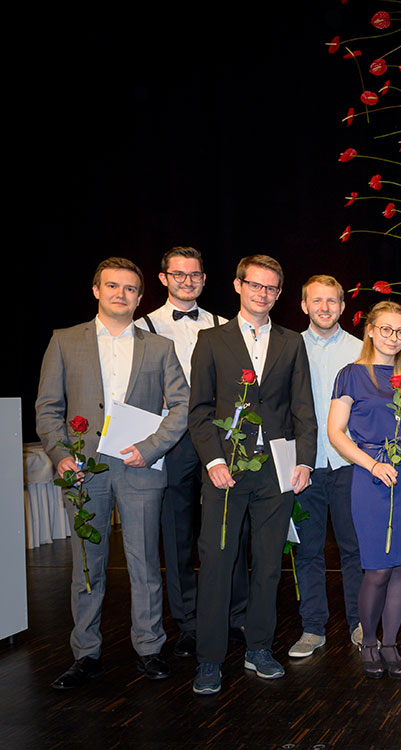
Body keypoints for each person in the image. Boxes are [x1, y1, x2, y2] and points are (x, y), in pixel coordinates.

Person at [36, 257, 190, 689]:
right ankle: (85, 654)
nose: (121, 294)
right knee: (87, 565)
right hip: (83, 469)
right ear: (96, 290)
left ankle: (149, 648)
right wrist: (60, 454)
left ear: (140, 298)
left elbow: (181, 405)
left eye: (130, 288)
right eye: (112, 286)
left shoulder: (160, 347)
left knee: (145, 564)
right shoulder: (65, 340)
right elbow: (48, 408)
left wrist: (151, 447)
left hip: (141, 467)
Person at [189, 254, 317, 695]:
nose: (263, 293)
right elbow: (199, 411)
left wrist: (304, 461)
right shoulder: (211, 340)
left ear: (279, 294)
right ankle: (209, 659)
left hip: (276, 470)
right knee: (217, 564)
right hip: (225, 470)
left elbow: (303, 408)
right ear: (238, 285)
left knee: (268, 565)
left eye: (271, 288)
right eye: (255, 285)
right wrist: (213, 461)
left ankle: (259, 648)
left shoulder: (291, 342)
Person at [135, 246, 242, 659]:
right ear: (163, 278)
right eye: (178, 274)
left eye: (194, 275)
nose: (187, 281)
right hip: (172, 441)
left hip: (217, 437)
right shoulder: (143, 327)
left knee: (227, 528)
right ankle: (189, 623)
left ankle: (233, 614)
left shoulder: (222, 324)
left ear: (204, 279)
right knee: (176, 533)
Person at [327, 301, 401, 679]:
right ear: (371, 331)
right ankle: (369, 642)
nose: (393, 338)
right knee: (377, 569)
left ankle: (391, 643)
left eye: (400, 331)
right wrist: (372, 464)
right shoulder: (351, 375)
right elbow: (335, 432)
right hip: (371, 475)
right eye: (386, 330)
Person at [289, 275, 364, 659]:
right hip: (304, 466)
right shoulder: (288, 347)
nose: (324, 307)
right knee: (308, 551)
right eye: (316, 300)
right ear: (304, 305)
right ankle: (312, 628)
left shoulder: (360, 349)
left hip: (350, 463)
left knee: (355, 549)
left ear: (342, 306)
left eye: (332, 301)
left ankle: (360, 623)